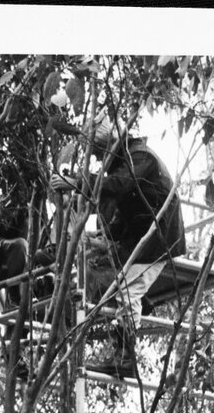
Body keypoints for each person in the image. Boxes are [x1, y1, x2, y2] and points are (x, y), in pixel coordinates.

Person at [49, 118, 186, 378]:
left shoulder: (141, 158)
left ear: (111, 144)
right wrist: (104, 236)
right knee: (96, 264)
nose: (101, 160)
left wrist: (76, 182)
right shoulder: (128, 162)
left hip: (159, 240)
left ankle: (126, 357)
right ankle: (142, 305)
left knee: (128, 291)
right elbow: (126, 212)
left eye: (101, 153)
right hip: (139, 238)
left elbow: (118, 186)